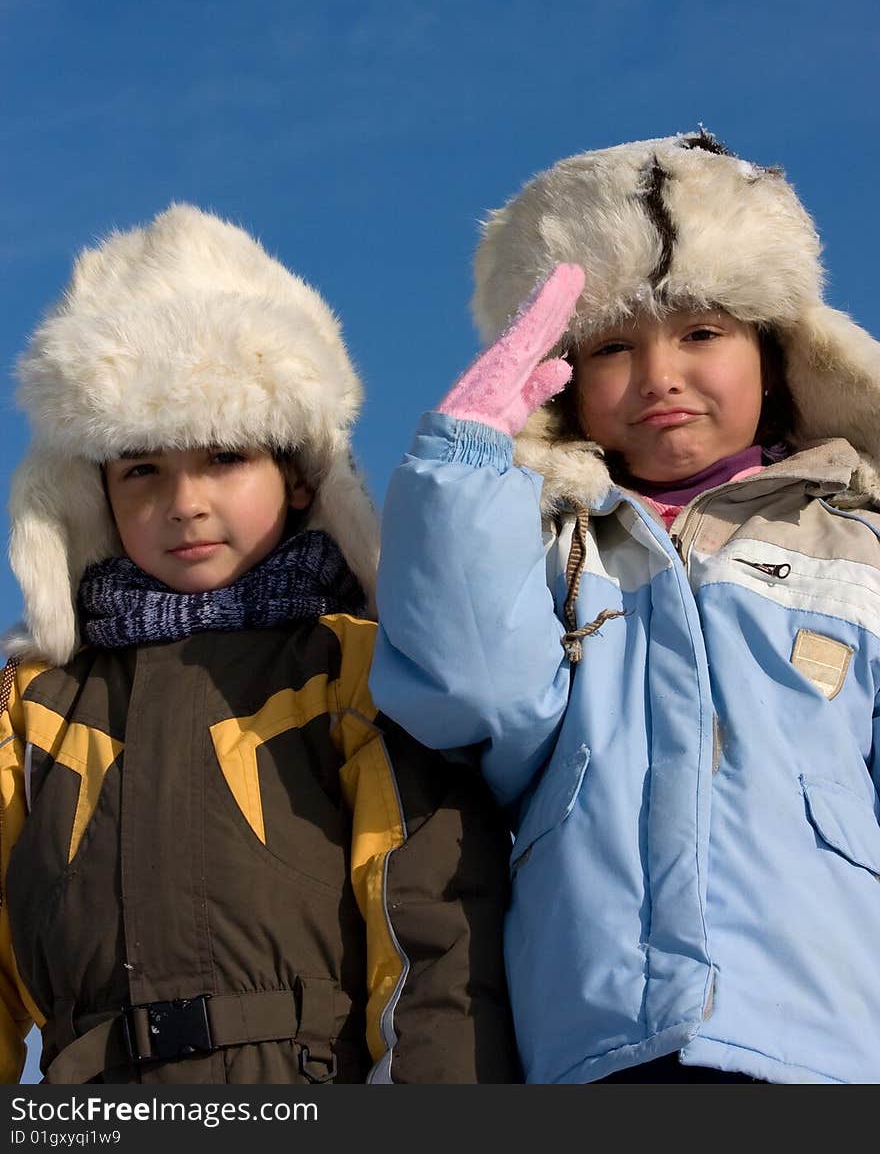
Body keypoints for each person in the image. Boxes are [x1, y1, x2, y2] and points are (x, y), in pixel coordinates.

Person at [371, 129, 880, 1084]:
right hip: (599, 1035)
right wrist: (465, 468)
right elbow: (470, 694)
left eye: (701, 332)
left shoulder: (856, 542)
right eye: (612, 346)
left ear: (773, 354)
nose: (660, 378)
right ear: (561, 384)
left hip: (829, 1039)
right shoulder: (553, 544)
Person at [0, 203, 519, 1085]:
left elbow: (436, 932)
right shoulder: (33, 708)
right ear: (92, 495)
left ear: (304, 475)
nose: (185, 502)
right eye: (142, 469)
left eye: (226, 457)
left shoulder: (359, 670)